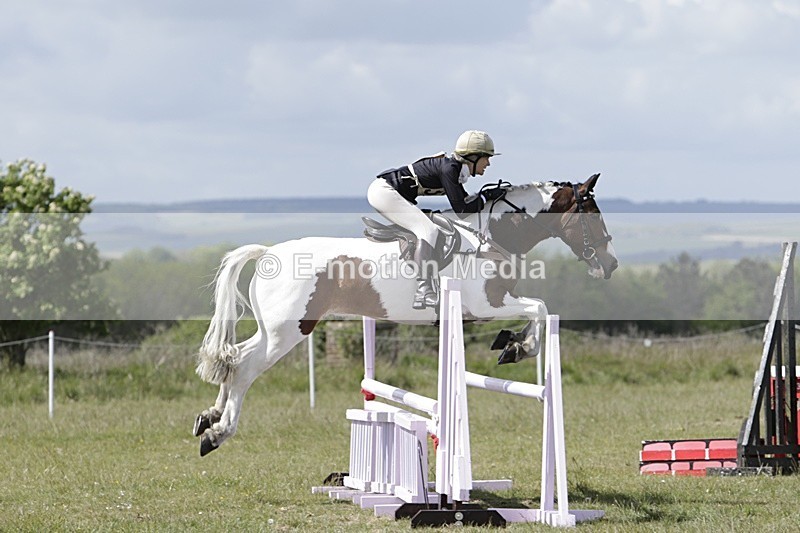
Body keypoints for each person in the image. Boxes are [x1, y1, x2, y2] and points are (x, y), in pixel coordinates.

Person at [367, 130, 502, 310]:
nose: (488, 163)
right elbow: (462, 210)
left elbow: (466, 204)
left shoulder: (454, 169)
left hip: (391, 192)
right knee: (428, 230)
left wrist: (488, 198)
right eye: (486, 157)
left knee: (431, 225)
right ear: (473, 157)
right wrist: (486, 197)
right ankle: (424, 289)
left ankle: (424, 288)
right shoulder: (450, 169)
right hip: (384, 192)